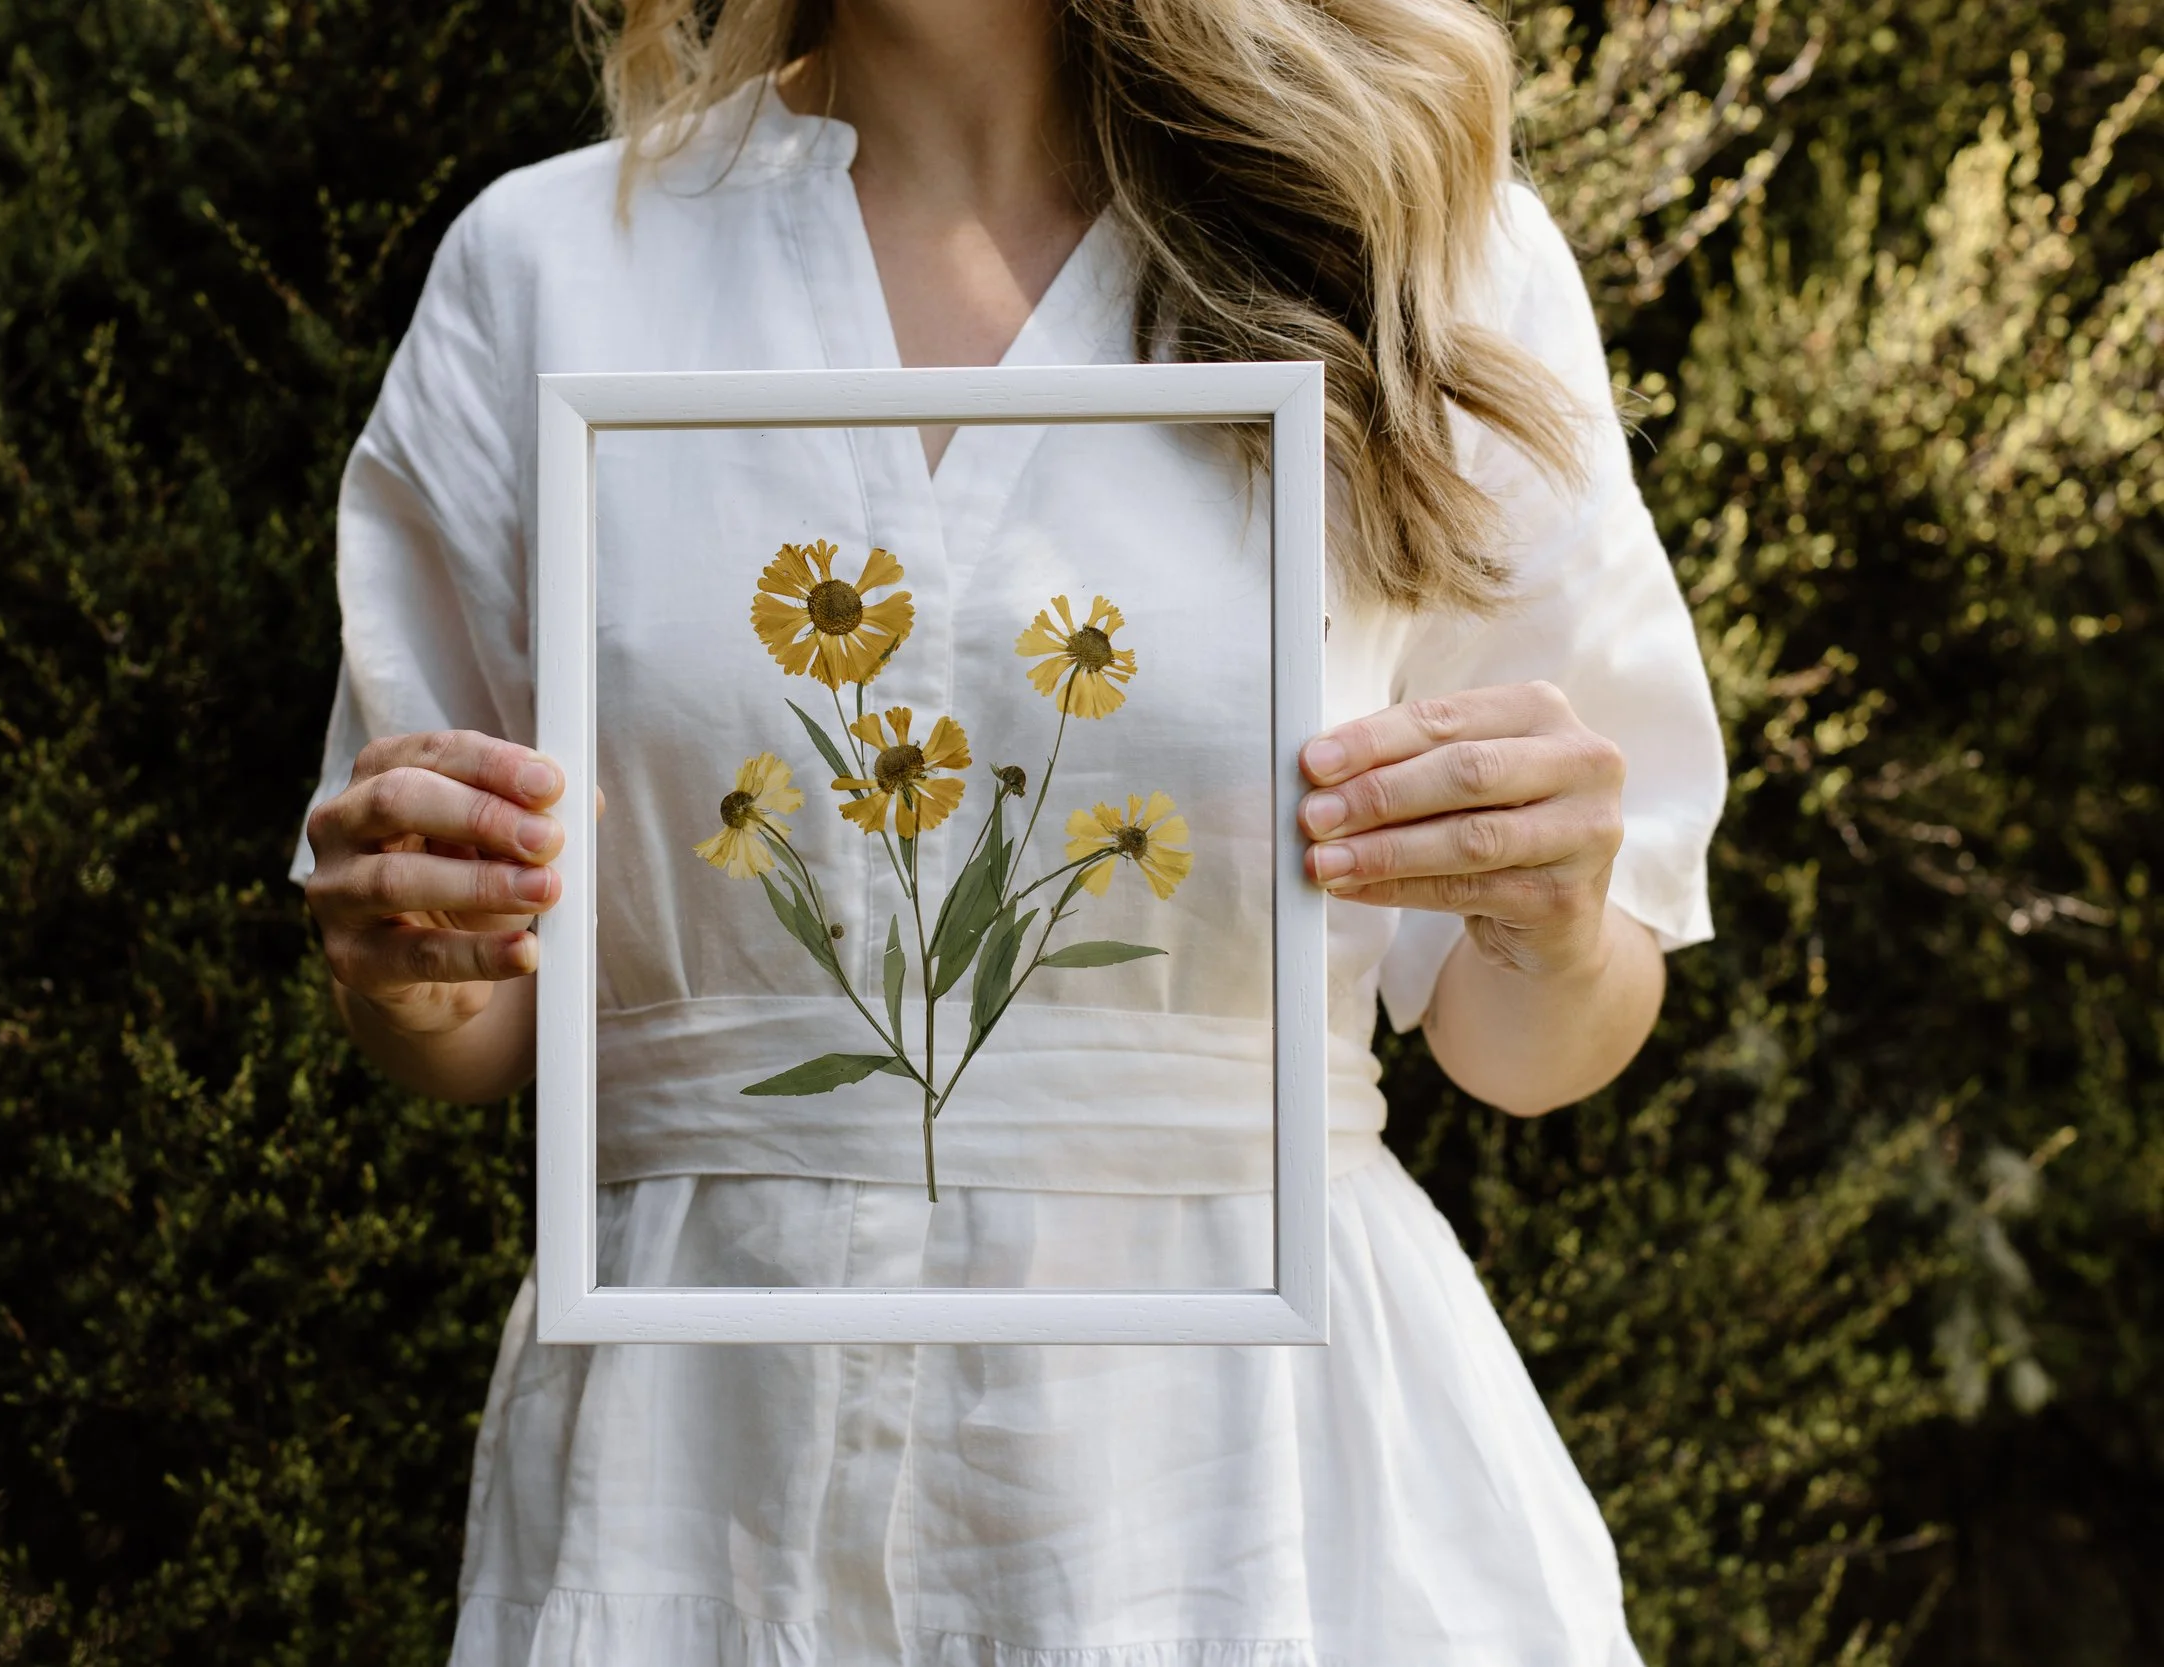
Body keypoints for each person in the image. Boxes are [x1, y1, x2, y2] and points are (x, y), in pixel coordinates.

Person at [293, 0, 1726, 1660]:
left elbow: (1537, 1040)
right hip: (703, 1466)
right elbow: (477, 1024)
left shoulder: (1413, 247)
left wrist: (1550, 911)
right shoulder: (553, 266)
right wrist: (409, 957)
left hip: (1260, 1498)